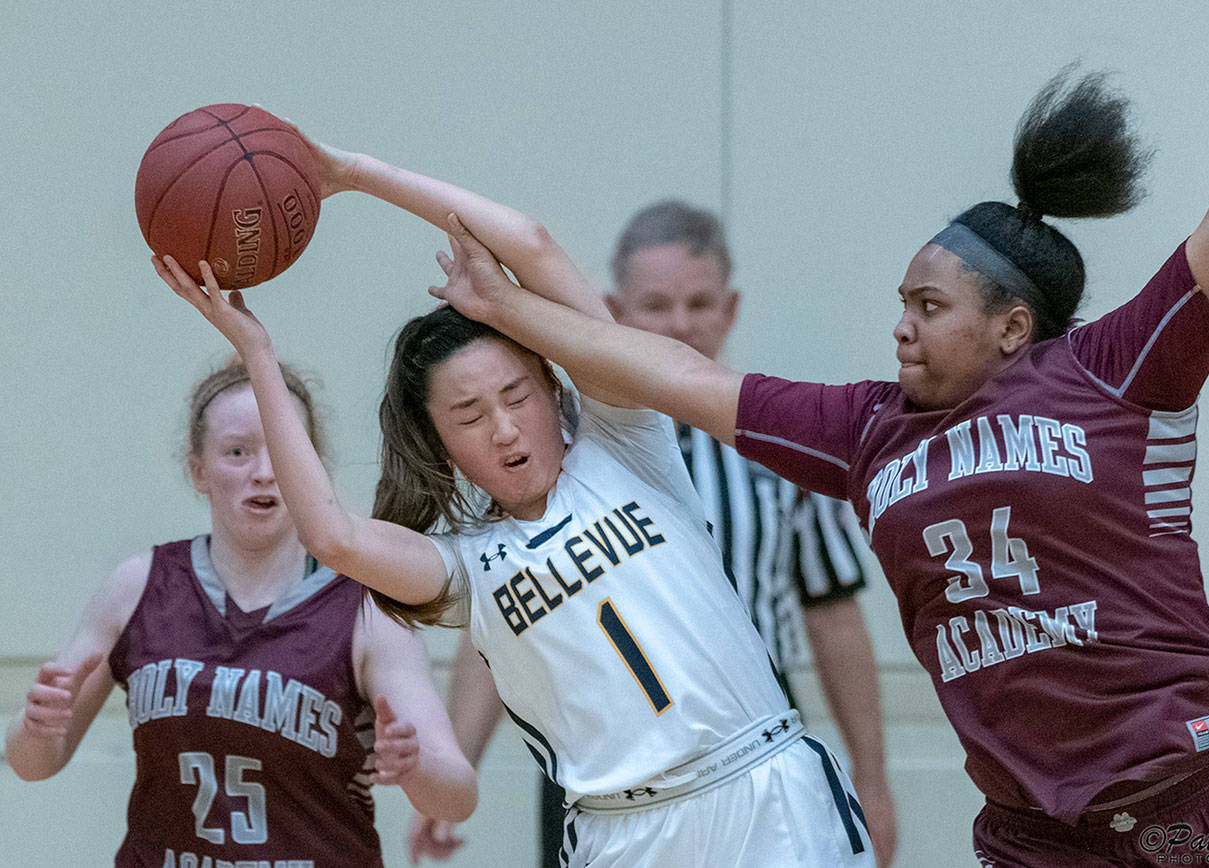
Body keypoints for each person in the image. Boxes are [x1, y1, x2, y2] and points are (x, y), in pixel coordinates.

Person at [426, 8, 1209, 862]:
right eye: (902, 305)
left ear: (1010, 325)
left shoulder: (1110, 370)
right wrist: (506, 307)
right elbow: (680, 375)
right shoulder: (866, 427)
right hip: (1035, 830)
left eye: (929, 307)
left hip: (1198, 792)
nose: (902, 327)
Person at [153, 139, 878, 867]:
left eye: (515, 396)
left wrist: (352, 174)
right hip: (621, 834)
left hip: (763, 786)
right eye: (468, 416)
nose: (502, 429)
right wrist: (258, 355)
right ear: (440, 446)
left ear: (556, 389)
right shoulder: (467, 565)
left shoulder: (626, 443)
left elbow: (532, 244)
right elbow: (333, 535)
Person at [409, 201, 898, 867]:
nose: (680, 324)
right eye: (657, 306)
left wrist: (872, 775)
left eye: (699, 303)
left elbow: (835, 617)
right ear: (612, 311)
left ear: (730, 309)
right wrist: (456, 758)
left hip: (747, 742)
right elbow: (501, 619)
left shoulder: (776, 446)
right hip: (605, 768)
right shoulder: (549, 446)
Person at [5, 357, 477, 867]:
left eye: (281, 449)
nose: (264, 473)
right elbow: (33, 765)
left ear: (309, 464)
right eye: (236, 452)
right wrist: (35, 728)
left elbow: (457, 796)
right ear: (198, 470)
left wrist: (415, 768)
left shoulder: (366, 604)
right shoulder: (137, 586)